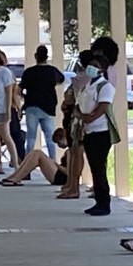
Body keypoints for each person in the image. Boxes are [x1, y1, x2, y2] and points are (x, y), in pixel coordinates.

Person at [74, 56, 118, 216]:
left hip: (101, 131)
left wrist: (89, 118)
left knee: (99, 168)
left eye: (95, 65)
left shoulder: (105, 87)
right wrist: (80, 116)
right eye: (90, 64)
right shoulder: (88, 85)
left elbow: (103, 107)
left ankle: (104, 203)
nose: (90, 68)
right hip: (88, 130)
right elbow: (80, 103)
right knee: (93, 167)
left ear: (102, 69)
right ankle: (98, 201)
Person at [57, 51, 96, 200]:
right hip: (79, 116)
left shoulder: (79, 79)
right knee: (76, 152)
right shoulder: (95, 79)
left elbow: (70, 98)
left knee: (75, 152)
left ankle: (73, 186)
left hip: (76, 117)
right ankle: (71, 184)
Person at [21, 45, 65, 160]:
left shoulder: (29, 72)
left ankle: (27, 165)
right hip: (48, 107)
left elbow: (19, 89)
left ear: (36, 56)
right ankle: (53, 162)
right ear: (47, 57)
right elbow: (61, 80)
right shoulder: (52, 71)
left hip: (32, 106)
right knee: (50, 138)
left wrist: (24, 98)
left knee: (31, 137)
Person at [0, 130, 71, 187]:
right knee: (34, 152)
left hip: (63, 178)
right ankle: (14, 176)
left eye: (59, 143)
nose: (59, 146)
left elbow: (69, 172)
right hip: (59, 173)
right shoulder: (68, 151)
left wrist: (56, 164)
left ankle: (17, 178)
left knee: (38, 154)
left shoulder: (71, 152)